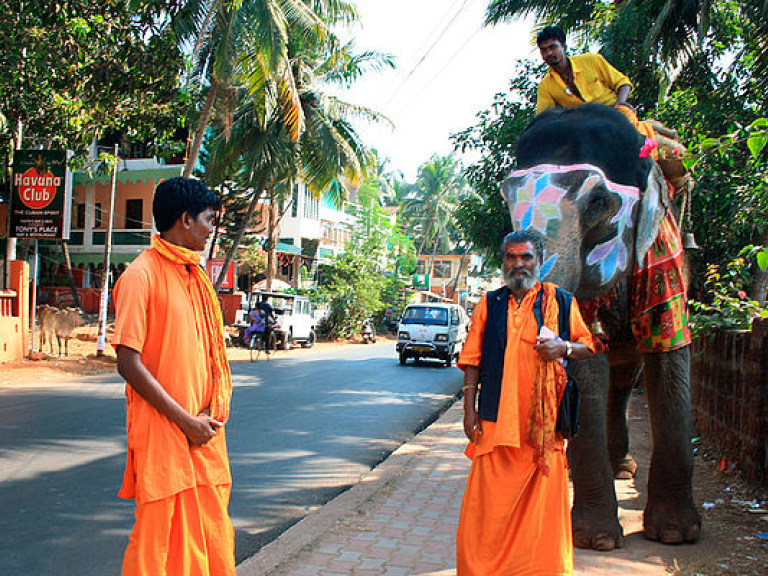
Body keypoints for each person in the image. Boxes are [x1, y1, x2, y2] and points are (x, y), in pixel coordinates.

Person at [112, 177, 235, 575]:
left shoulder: (195, 276)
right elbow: (128, 362)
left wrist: (201, 421)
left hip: (204, 431)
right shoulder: (140, 276)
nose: (211, 229)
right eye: (209, 220)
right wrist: (185, 421)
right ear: (185, 219)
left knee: (211, 534)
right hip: (167, 431)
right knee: (158, 543)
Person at [456, 230, 595, 575]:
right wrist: (469, 409)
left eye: (526, 257)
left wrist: (563, 347)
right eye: (511, 257)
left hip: (542, 431)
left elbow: (587, 345)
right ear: (503, 261)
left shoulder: (561, 301)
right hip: (495, 422)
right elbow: (472, 360)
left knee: (541, 519)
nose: (518, 264)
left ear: (539, 261)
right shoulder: (490, 303)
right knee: (485, 512)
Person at [535, 25, 657, 146]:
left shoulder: (591, 60)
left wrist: (620, 103)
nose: (549, 53)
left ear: (564, 47)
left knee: (635, 137)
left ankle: (648, 154)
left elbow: (623, 83)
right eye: (544, 50)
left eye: (552, 47)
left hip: (614, 110)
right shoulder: (546, 86)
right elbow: (543, 118)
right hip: (585, 124)